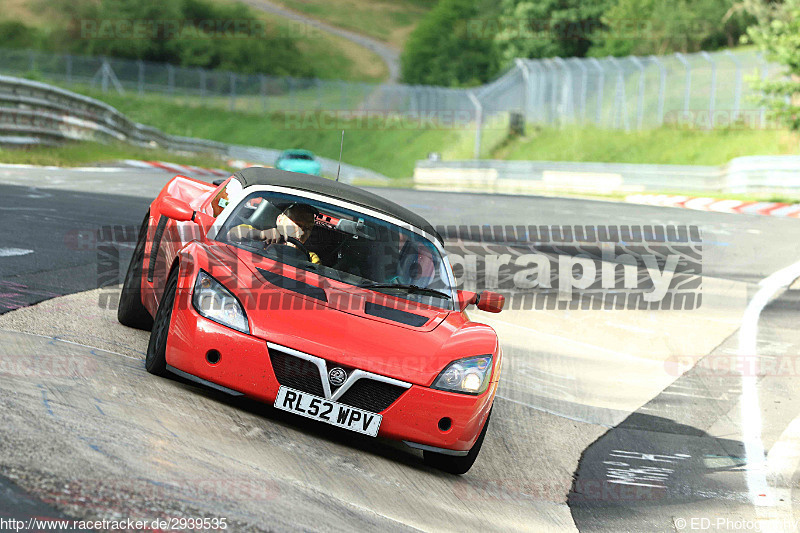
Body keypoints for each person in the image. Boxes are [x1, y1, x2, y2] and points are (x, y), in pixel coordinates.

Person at [229, 203, 321, 264]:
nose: (302, 232)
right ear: (280, 220)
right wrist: (260, 235)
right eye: (297, 224)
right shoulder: (260, 236)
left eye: (308, 228)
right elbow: (232, 234)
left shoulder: (310, 258)